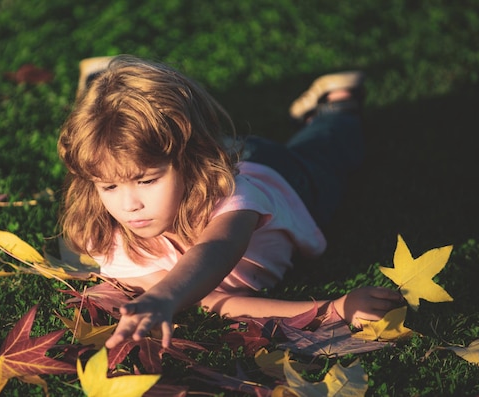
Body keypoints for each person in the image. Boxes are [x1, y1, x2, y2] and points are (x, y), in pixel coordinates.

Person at [58, 55, 403, 349]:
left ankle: (337, 103)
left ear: (190, 163)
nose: (129, 204)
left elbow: (215, 250)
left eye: (146, 181)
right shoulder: (114, 240)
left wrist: (164, 297)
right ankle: (103, 87)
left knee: (330, 151)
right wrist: (334, 308)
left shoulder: (234, 198)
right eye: (109, 186)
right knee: (122, 135)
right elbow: (216, 301)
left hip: (283, 177)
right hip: (215, 156)